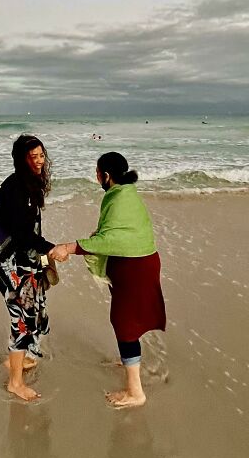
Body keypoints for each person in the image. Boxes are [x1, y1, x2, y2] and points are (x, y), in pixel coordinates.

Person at [51, 152, 166, 408]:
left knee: (124, 323)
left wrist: (70, 247)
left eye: (97, 172)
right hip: (135, 263)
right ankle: (130, 361)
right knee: (127, 320)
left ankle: (135, 392)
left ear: (105, 175)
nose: (96, 177)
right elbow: (117, 232)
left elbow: (114, 240)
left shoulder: (120, 198)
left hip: (135, 265)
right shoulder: (124, 194)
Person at [0, 134, 59, 402]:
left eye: (42, 155)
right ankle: (14, 382)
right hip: (12, 263)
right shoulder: (16, 189)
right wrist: (52, 248)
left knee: (33, 311)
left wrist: (42, 253)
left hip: (24, 261)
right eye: (34, 157)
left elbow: (29, 231)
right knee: (20, 320)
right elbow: (22, 235)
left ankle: (23, 359)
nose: (40, 161)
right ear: (22, 159)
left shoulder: (29, 183)